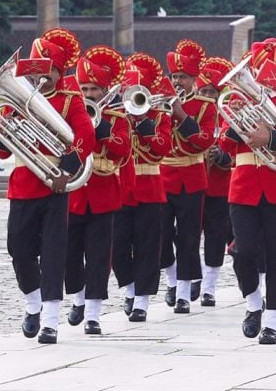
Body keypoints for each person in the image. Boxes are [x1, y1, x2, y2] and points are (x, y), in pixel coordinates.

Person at [0, 28, 95, 344]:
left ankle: (51, 320)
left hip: (56, 183)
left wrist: (66, 171)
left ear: (59, 71)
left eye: (49, 70)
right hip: (24, 182)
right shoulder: (17, 97)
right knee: (18, 249)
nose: (42, 75)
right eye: (37, 68)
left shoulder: (70, 99)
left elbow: (85, 138)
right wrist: (2, 127)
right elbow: (2, 150)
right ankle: (33, 302)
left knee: (55, 252)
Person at [220, 39, 276, 344]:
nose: (262, 75)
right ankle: (252, 303)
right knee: (242, 250)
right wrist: (236, 123)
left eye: (271, 69)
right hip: (244, 184)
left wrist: (270, 137)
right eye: (258, 68)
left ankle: (273, 319)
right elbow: (223, 143)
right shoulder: (237, 97)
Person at [65, 46, 132, 335]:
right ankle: (78, 298)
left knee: (98, 256)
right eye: (84, 88)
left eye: (94, 88)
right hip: (73, 192)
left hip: (103, 194)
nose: (89, 93)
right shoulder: (70, 112)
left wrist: (101, 125)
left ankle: (93, 313)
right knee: (69, 254)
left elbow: (124, 150)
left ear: (104, 89)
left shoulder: (116, 116)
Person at [111, 56, 173, 322]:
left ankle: (143, 301)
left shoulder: (159, 116)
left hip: (150, 188)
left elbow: (162, 149)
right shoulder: (116, 116)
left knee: (149, 247)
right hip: (122, 188)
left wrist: (144, 125)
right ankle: (129, 288)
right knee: (118, 245)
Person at [160, 40, 217, 313]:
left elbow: (204, 142)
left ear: (194, 79)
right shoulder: (157, 102)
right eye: (174, 76)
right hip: (162, 175)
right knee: (159, 234)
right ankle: (171, 279)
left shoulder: (206, 105)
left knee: (188, 237)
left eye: (183, 76)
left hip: (191, 175)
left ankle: (183, 293)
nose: (177, 81)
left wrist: (182, 116)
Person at [196, 57, 235, 307]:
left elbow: (234, 149)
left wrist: (221, 156)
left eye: (213, 91)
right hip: (194, 185)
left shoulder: (227, 115)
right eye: (204, 91)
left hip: (221, 187)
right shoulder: (194, 113)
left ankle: (209, 287)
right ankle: (189, 279)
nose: (208, 95)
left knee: (216, 238)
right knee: (185, 238)